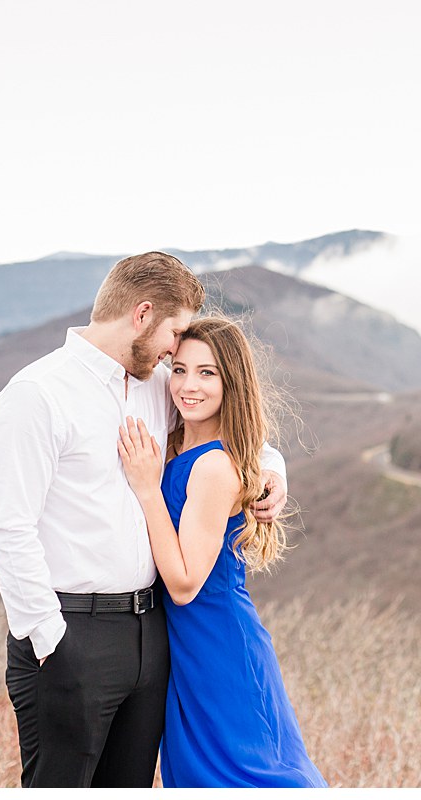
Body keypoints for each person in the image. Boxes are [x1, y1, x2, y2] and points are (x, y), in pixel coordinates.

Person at [0, 252, 288, 788]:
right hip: (71, 632)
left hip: (152, 632)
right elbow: (8, 528)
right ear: (142, 315)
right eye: (175, 332)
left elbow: (228, 433)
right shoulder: (39, 395)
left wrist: (273, 470)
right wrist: (50, 640)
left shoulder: (153, 384)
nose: (177, 349)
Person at [117, 315, 326, 787]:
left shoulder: (213, 466)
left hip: (218, 643)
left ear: (232, 383)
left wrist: (148, 490)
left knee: (247, 776)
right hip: (185, 650)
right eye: (181, 369)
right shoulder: (178, 444)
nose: (189, 385)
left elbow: (186, 584)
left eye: (207, 373)